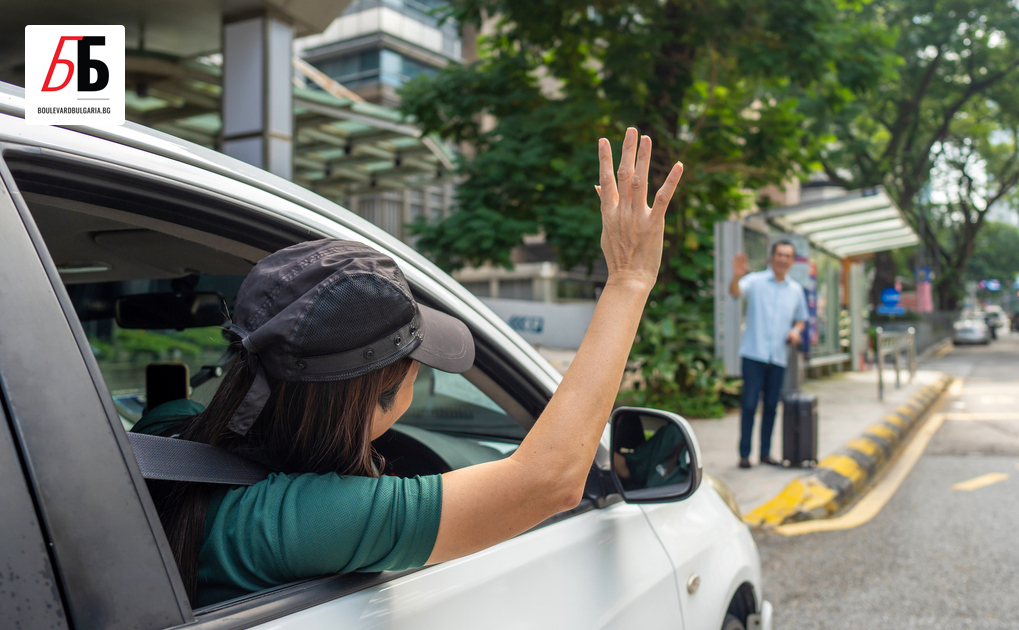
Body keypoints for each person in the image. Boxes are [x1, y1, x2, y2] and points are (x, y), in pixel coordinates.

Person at [134, 128, 683, 607]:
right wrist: (629, 280)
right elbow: (549, 483)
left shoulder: (168, 429)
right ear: (373, 399)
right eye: (416, 367)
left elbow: (174, 408)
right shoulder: (303, 521)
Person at [728, 241, 808, 468]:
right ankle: (744, 454)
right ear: (772, 257)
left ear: (792, 261)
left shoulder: (796, 290)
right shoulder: (755, 280)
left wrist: (795, 331)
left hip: (779, 357)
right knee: (749, 405)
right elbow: (735, 292)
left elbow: (801, 318)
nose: (783, 259)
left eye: (787, 256)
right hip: (753, 354)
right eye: (779, 255)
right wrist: (736, 277)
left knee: (772, 406)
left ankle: (765, 453)